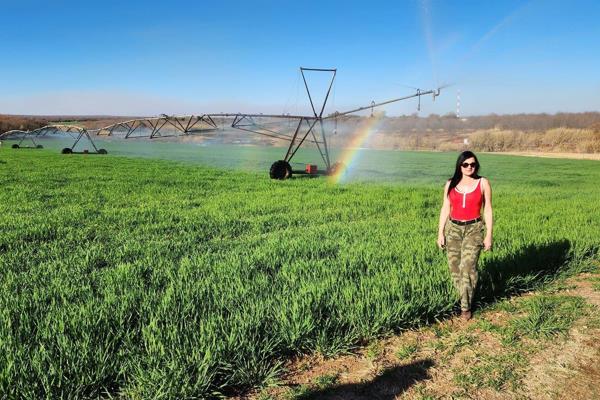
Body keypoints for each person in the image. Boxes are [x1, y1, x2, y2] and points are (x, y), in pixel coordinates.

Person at [437, 151, 493, 320]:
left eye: (473, 164)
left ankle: (465, 308)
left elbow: (488, 209)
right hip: (453, 229)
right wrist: (440, 232)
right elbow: (445, 208)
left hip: (474, 229)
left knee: (468, 268)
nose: (469, 167)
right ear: (460, 166)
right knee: (454, 268)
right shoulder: (450, 184)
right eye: (466, 164)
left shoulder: (483, 183)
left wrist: (489, 234)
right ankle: (463, 297)